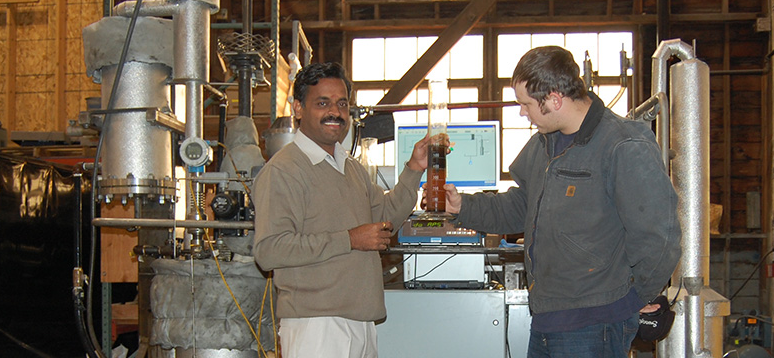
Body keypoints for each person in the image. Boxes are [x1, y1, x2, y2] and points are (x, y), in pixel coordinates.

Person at [442, 46, 681, 357]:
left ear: (554, 100)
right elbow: (521, 206)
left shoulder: (623, 144)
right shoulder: (543, 144)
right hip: (547, 317)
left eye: (526, 104)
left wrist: (635, 298)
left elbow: (659, 236)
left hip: (596, 323)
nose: (522, 113)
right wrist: (463, 207)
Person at [253, 62, 432, 358]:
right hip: (316, 328)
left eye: (342, 104)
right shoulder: (284, 171)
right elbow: (269, 250)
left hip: (361, 322)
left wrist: (414, 168)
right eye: (322, 103)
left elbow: (385, 218)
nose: (335, 112)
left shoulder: (350, 167)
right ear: (298, 108)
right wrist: (350, 239)